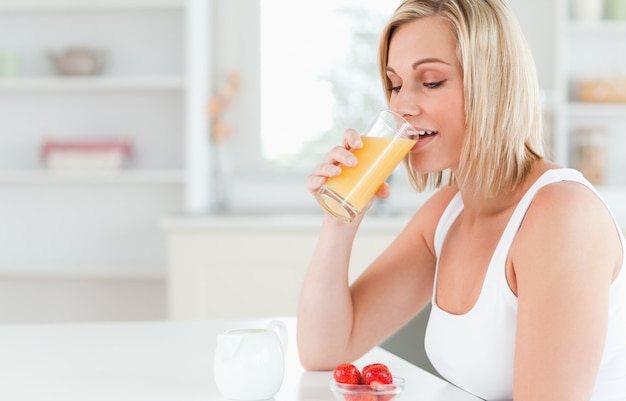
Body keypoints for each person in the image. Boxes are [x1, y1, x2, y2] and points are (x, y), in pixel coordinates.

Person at [296, 0, 626, 400]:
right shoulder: (447, 214)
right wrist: (340, 219)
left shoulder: (562, 217)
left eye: (431, 81)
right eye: (395, 85)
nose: (401, 106)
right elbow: (323, 350)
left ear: (494, 84)